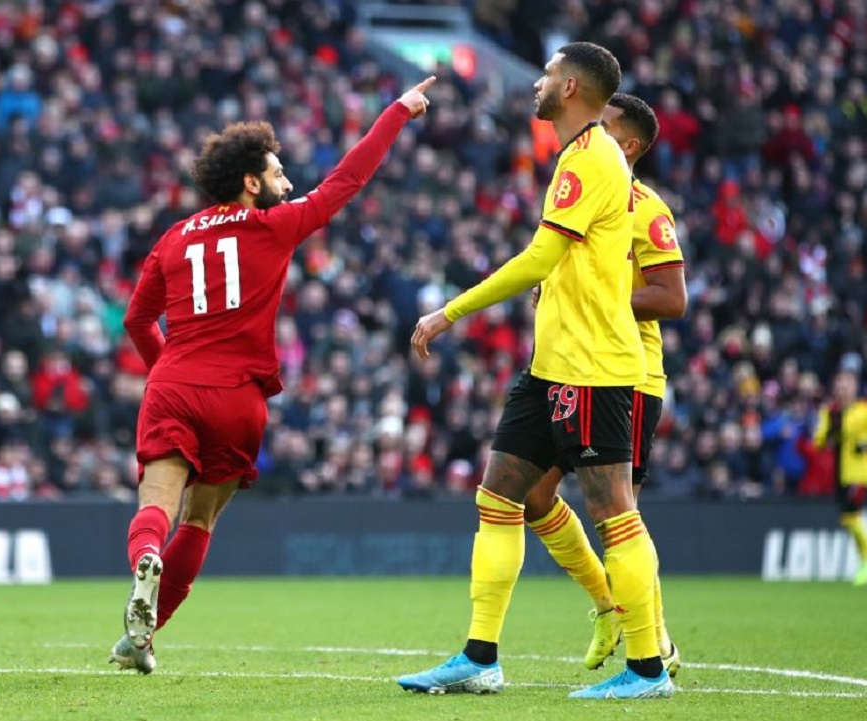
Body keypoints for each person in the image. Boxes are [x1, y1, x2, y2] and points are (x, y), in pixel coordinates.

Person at [110, 77, 437, 674]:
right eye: (279, 174)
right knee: (200, 519)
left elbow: (137, 320)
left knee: (156, 504)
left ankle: (145, 558)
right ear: (251, 183)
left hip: (175, 383)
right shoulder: (275, 225)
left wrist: (170, 374)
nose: (288, 184)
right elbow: (347, 179)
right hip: (238, 399)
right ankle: (145, 637)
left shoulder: (173, 238)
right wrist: (398, 110)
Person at [398, 43, 673, 700]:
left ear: (571, 86)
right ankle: (479, 656)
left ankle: (648, 667)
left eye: (547, 75)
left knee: (613, 512)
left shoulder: (592, 158)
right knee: (498, 497)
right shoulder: (578, 155)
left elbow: (539, 258)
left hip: (593, 367)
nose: (537, 84)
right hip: (550, 367)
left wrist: (449, 311)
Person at [523, 93, 686, 677]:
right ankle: (607, 604)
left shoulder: (646, 207)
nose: (593, 130)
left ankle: (655, 645)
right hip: (570, 366)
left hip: (628, 374)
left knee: (619, 516)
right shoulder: (581, 188)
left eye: (607, 125)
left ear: (631, 145)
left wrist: (598, 297)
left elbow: (673, 298)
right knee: (532, 496)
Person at [813, 370, 867, 586]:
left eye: (846, 386)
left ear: (855, 387)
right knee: (848, 518)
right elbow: (818, 441)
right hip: (840, 473)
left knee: (853, 515)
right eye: (839, 387)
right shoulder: (830, 412)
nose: (842, 390)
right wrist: (829, 435)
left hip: (860, 473)